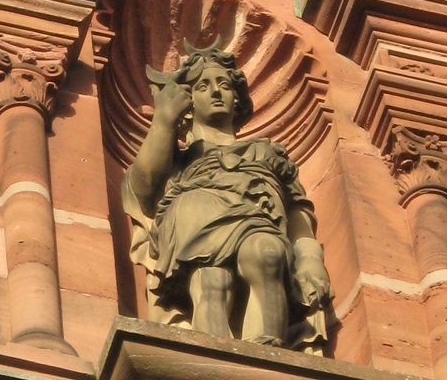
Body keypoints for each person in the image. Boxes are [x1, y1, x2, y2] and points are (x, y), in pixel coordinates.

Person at [122, 40, 332, 351]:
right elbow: (143, 185)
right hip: (196, 212)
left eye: (223, 85)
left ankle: (269, 354)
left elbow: (298, 216)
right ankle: (215, 358)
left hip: (257, 218)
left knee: (268, 254)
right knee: (212, 281)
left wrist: (311, 260)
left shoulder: (267, 153)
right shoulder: (177, 157)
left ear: (237, 98)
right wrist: (164, 120)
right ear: (189, 101)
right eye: (203, 86)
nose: (216, 92)